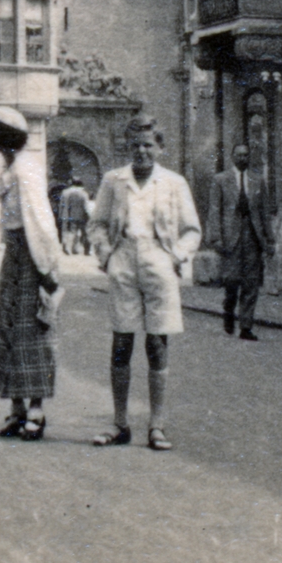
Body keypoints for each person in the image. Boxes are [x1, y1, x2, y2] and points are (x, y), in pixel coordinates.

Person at [87, 116, 201, 451]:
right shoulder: (113, 180)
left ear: (159, 147)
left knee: (157, 342)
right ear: (127, 146)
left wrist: (176, 256)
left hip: (159, 261)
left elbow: (192, 229)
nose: (141, 151)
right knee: (122, 340)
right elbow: (97, 224)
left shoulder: (173, 183)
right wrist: (107, 255)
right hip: (124, 259)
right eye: (135, 144)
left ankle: (157, 425)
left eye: (148, 144)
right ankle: (120, 423)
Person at [0, 107, 62, 440]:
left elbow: (39, 221)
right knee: (9, 330)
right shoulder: (9, 168)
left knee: (33, 332)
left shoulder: (26, 169)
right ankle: (16, 407)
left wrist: (47, 268)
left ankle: (36, 410)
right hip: (14, 255)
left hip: (31, 255)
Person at [208, 142, 272, 339]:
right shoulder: (221, 180)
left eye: (246, 155)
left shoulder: (258, 180)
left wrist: (269, 239)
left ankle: (246, 326)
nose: (243, 158)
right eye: (239, 155)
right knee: (232, 280)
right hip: (231, 237)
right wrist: (216, 237)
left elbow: (264, 212)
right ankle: (229, 309)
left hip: (252, 236)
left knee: (251, 282)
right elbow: (215, 210)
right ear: (232, 157)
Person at [60, 177, 91, 255]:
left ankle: (68, 247)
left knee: (71, 232)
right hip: (82, 216)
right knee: (84, 233)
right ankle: (85, 250)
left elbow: (62, 205)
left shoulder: (65, 192)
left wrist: (61, 214)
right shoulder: (83, 193)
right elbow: (86, 206)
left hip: (69, 215)